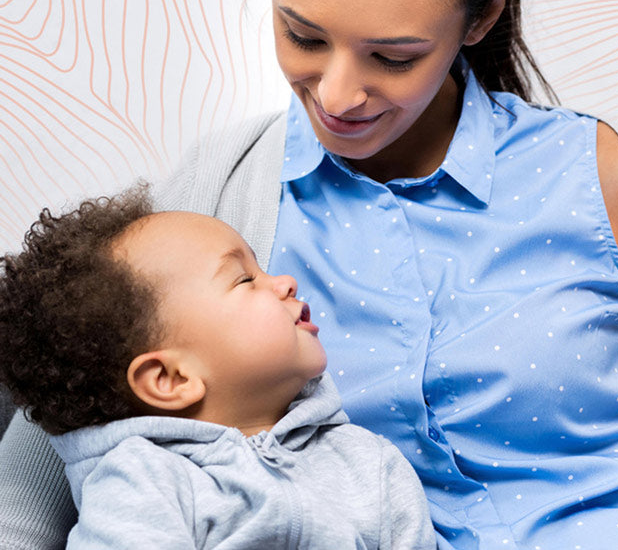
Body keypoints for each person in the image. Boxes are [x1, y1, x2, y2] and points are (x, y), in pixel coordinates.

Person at [0, 0, 618, 548]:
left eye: (392, 57)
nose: (337, 95)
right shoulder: (220, 194)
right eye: (303, 36)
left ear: (482, 13)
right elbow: (69, 421)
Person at [0, 188, 436, 549]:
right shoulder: (143, 482)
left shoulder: (368, 464)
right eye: (245, 279)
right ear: (171, 380)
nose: (285, 282)